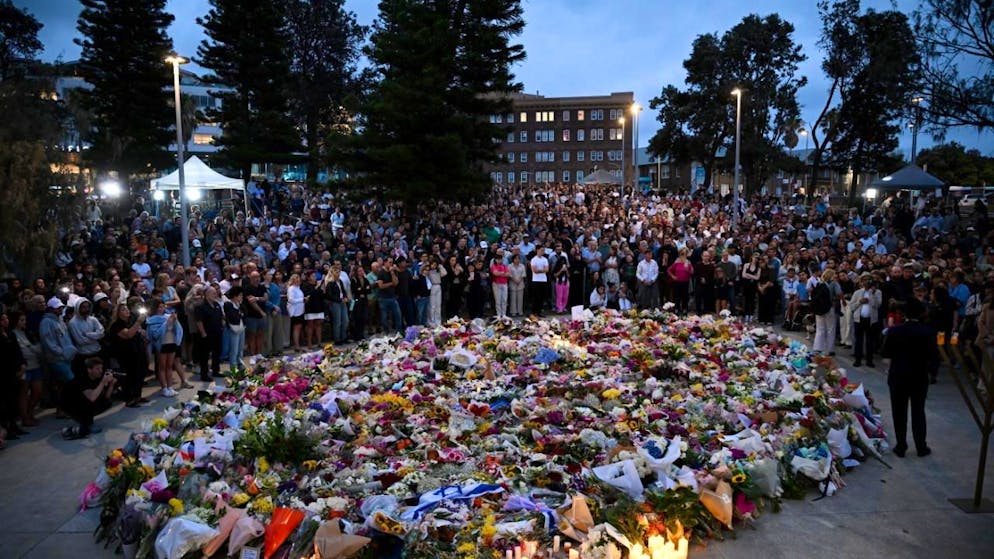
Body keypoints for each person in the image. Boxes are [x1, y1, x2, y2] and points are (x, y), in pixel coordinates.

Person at [880, 298, 937, 457]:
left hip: (898, 374)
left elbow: (886, 353)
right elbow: (933, 357)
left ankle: (901, 445)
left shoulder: (895, 331)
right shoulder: (927, 332)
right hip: (919, 375)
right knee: (918, 411)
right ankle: (921, 446)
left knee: (899, 411)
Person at [60, 356, 115, 440]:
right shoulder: (82, 379)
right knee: (90, 401)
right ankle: (86, 423)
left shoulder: (97, 377)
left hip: (80, 401)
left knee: (106, 402)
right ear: (89, 370)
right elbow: (92, 397)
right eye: (97, 369)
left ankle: (86, 420)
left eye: (101, 368)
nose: (100, 371)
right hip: (68, 403)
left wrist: (111, 384)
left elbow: (106, 396)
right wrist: (103, 382)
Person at [146, 298, 190, 396]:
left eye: (163, 306)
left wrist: (175, 321)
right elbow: (155, 334)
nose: (162, 309)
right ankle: (164, 388)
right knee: (162, 367)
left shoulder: (168, 316)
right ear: (155, 308)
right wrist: (167, 323)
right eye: (159, 307)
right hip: (161, 345)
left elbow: (178, 330)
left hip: (172, 342)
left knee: (170, 366)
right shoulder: (152, 319)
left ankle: (170, 387)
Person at [11, 312, 43, 426]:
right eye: (21, 320)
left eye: (24, 320)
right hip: (25, 366)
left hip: (35, 364)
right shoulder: (13, 334)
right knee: (24, 393)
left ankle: (29, 413)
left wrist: (32, 348)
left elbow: (36, 347)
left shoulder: (29, 332)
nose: (24, 322)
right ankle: (25, 417)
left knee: (38, 391)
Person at [849, 273, 882, 368]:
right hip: (859, 319)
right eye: (864, 280)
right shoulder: (857, 292)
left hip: (871, 320)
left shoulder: (877, 292)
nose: (867, 282)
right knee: (859, 340)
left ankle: (869, 360)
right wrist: (860, 302)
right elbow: (851, 306)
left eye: (869, 280)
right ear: (861, 282)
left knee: (869, 341)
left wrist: (872, 295)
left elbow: (877, 305)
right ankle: (858, 359)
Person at [67, 298, 104, 378]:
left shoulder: (93, 319)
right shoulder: (73, 323)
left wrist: (88, 335)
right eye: (83, 307)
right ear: (78, 308)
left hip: (97, 351)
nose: (86, 309)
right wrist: (95, 337)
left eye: (87, 307)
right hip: (84, 355)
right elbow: (80, 341)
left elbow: (101, 333)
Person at [195, 287, 225, 381]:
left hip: (217, 332)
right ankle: (204, 375)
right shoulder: (200, 306)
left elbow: (221, 316)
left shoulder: (216, 304)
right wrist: (203, 333)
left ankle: (216, 370)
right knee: (205, 355)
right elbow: (199, 321)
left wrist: (222, 324)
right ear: (207, 294)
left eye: (215, 293)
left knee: (217, 352)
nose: (215, 295)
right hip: (206, 334)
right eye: (213, 293)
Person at [224, 287, 246, 370]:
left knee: (240, 349)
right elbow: (232, 316)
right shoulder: (228, 304)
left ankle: (240, 364)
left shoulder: (240, 304)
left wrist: (240, 306)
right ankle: (233, 368)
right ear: (234, 296)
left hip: (242, 328)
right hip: (234, 330)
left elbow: (245, 313)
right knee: (234, 350)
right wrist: (240, 313)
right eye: (240, 295)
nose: (241, 297)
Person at [668, 248, 694, 315]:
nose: (683, 255)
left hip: (686, 282)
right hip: (677, 282)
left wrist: (687, 269)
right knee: (677, 296)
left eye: (685, 254)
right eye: (682, 253)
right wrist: (673, 276)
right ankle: (677, 308)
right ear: (680, 254)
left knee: (685, 296)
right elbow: (669, 270)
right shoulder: (676, 262)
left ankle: (685, 309)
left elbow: (692, 272)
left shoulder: (688, 262)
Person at [529, 243, 550, 315]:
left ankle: (540, 311)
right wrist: (542, 270)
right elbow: (535, 270)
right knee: (536, 296)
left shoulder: (545, 259)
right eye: (541, 250)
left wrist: (540, 270)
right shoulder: (534, 259)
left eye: (543, 250)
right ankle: (534, 311)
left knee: (542, 296)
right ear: (537, 250)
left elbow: (547, 269)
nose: (543, 252)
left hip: (543, 280)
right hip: (536, 280)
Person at [287, 274, 306, 352]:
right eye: (296, 279)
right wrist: (302, 299)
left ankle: (298, 344)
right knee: (296, 328)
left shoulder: (298, 288)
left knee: (299, 328)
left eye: (298, 278)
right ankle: (296, 346)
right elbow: (291, 300)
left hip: (300, 310)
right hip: (295, 311)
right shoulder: (291, 289)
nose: (298, 280)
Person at [740, 254, 761, 322]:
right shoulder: (746, 265)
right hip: (746, 285)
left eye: (757, 258)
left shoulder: (758, 268)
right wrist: (752, 276)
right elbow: (743, 275)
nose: (755, 259)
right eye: (754, 257)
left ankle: (751, 315)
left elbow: (757, 278)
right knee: (746, 300)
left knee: (752, 300)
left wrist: (748, 274)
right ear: (751, 257)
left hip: (753, 286)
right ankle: (746, 315)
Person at [490, 251, 510, 318]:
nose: (499, 260)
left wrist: (500, 273)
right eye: (498, 259)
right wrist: (503, 273)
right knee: (498, 299)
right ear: (495, 260)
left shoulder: (504, 266)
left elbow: (508, 274)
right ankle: (499, 313)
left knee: (504, 299)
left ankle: (504, 314)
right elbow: (495, 273)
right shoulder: (493, 266)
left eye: (500, 259)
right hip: (496, 284)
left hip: (504, 283)